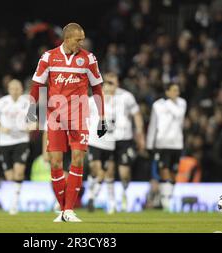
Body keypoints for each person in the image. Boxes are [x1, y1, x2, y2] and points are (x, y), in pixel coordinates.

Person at [26, 23, 107, 222]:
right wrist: (31, 113)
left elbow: (97, 89)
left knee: (78, 159)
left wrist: (102, 117)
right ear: (67, 38)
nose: (82, 43)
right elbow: (37, 86)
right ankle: (63, 210)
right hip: (55, 117)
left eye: (83, 39)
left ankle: (69, 210)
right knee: (54, 162)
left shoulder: (89, 58)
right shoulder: (48, 57)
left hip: (79, 116)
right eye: (78, 39)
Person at [0, 79, 33, 215]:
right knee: (9, 176)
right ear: (9, 89)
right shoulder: (2, 102)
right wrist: (0, 128)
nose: (15, 91)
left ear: (21, 89)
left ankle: (14, 204)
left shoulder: (28, 101)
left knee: (19, 172)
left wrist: (29, 128)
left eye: (17, 88)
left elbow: (35, 122)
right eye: (12, 88)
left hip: (21, 140)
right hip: (5, 142)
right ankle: (14, 195)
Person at [106, 72, 145, 212]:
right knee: (109, 171)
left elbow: (137, 115)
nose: (112, 84)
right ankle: (111, 201)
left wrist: (140, 134)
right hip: (107, 139)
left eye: (114, 82)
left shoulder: (127, 96)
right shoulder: (99, 97)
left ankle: (124, 193)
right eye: (109, 82)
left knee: (124, 173)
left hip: (125, 139)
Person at [146, 82, 187, 211]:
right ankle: (165, 201)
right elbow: (153, 124)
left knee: (174, 173)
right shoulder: (157, 105)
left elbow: (179, 115)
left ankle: (168, 197)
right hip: (162, 143)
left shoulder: (181, 103)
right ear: (167, 91)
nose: (177, 93)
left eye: (178, 90)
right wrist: (149, 143)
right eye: (174, 90)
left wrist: (167, 101)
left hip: (177, 143)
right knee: (164, 170)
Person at [86, 76, 116, 213]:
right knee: (96, 169)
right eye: (106, 89)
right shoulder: (92, 102)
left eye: (111, 89)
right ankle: (91, 195)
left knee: (102, 173)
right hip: (94, 140)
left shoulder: (117, 105)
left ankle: (92, 196)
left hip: (109, 144)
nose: (108, 92)